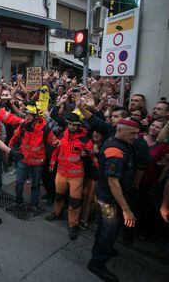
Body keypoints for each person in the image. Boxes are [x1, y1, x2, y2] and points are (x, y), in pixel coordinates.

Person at [88, 119, 140, 282]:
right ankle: (97, 263)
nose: (136, 137)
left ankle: (102, 248)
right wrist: (126, 209)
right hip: (109, 198)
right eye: (133, 134)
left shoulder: (115, 138)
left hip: (110, 195)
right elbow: (113, 182)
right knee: (109, 230)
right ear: (121, 131)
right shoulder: (114, 151)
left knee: (106, 227)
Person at [46, 112, 94, 240]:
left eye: (74, 125)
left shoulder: (85, 139)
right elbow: (56, 150)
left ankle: (73, 225)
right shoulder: (62, 135)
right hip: (61, 172)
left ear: (79, 126)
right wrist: (52, 163)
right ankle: (57, 213)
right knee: (58, 196)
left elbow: (92, 152)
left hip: (76, 176)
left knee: (75, 202)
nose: (71, 127)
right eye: (70, 124)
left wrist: (88, 153)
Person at [8, 102, 57, 215]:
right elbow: (15, 137)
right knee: (19, 182)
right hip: (23, 159)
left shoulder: (45, 129)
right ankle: (18, 202)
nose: (27, 116)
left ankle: (35, 205)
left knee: (35, 185)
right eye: (27, 114)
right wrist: (9, 149)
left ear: (37, 116)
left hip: (37, 163)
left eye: (30, 114)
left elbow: (54, 143)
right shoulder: (24, 125)